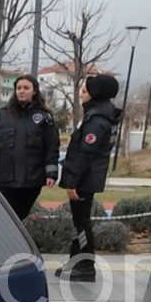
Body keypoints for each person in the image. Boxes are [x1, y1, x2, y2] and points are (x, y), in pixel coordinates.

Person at [56, 74, 122, 282]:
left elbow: (85, 154)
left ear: (96, 94)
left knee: (82, 223)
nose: (80, 94)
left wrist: (72, 182)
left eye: (85, 91)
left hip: (84, 180)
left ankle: (85, 265)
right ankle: (76, 261)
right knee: (79, 222)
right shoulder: (99, 115)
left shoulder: (97, 119)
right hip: (86, 178)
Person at [0, 74, 60, 219]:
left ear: (34, 91)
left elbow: (51, 146)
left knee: (19, 217)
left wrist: (51, 173)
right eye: (18, 88)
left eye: (26, 88)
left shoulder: (44, 117)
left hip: (31, 181)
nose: (21, 91)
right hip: (4, 179)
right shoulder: (2, 115)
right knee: (5, 217)